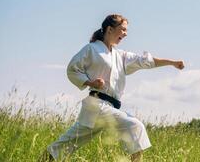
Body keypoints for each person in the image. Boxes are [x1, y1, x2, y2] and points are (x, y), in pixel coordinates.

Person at [39, 14, 184, 162]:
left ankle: (42, 159)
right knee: (135, 125)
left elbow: (145, 61)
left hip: (105, 107)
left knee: (68, 143)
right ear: (109, 29)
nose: (125, 34)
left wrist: (172, 62)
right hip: (97, 104)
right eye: (122, 29)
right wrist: (91, 83)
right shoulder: (92, 49)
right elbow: (72, 69)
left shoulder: (120, 56)